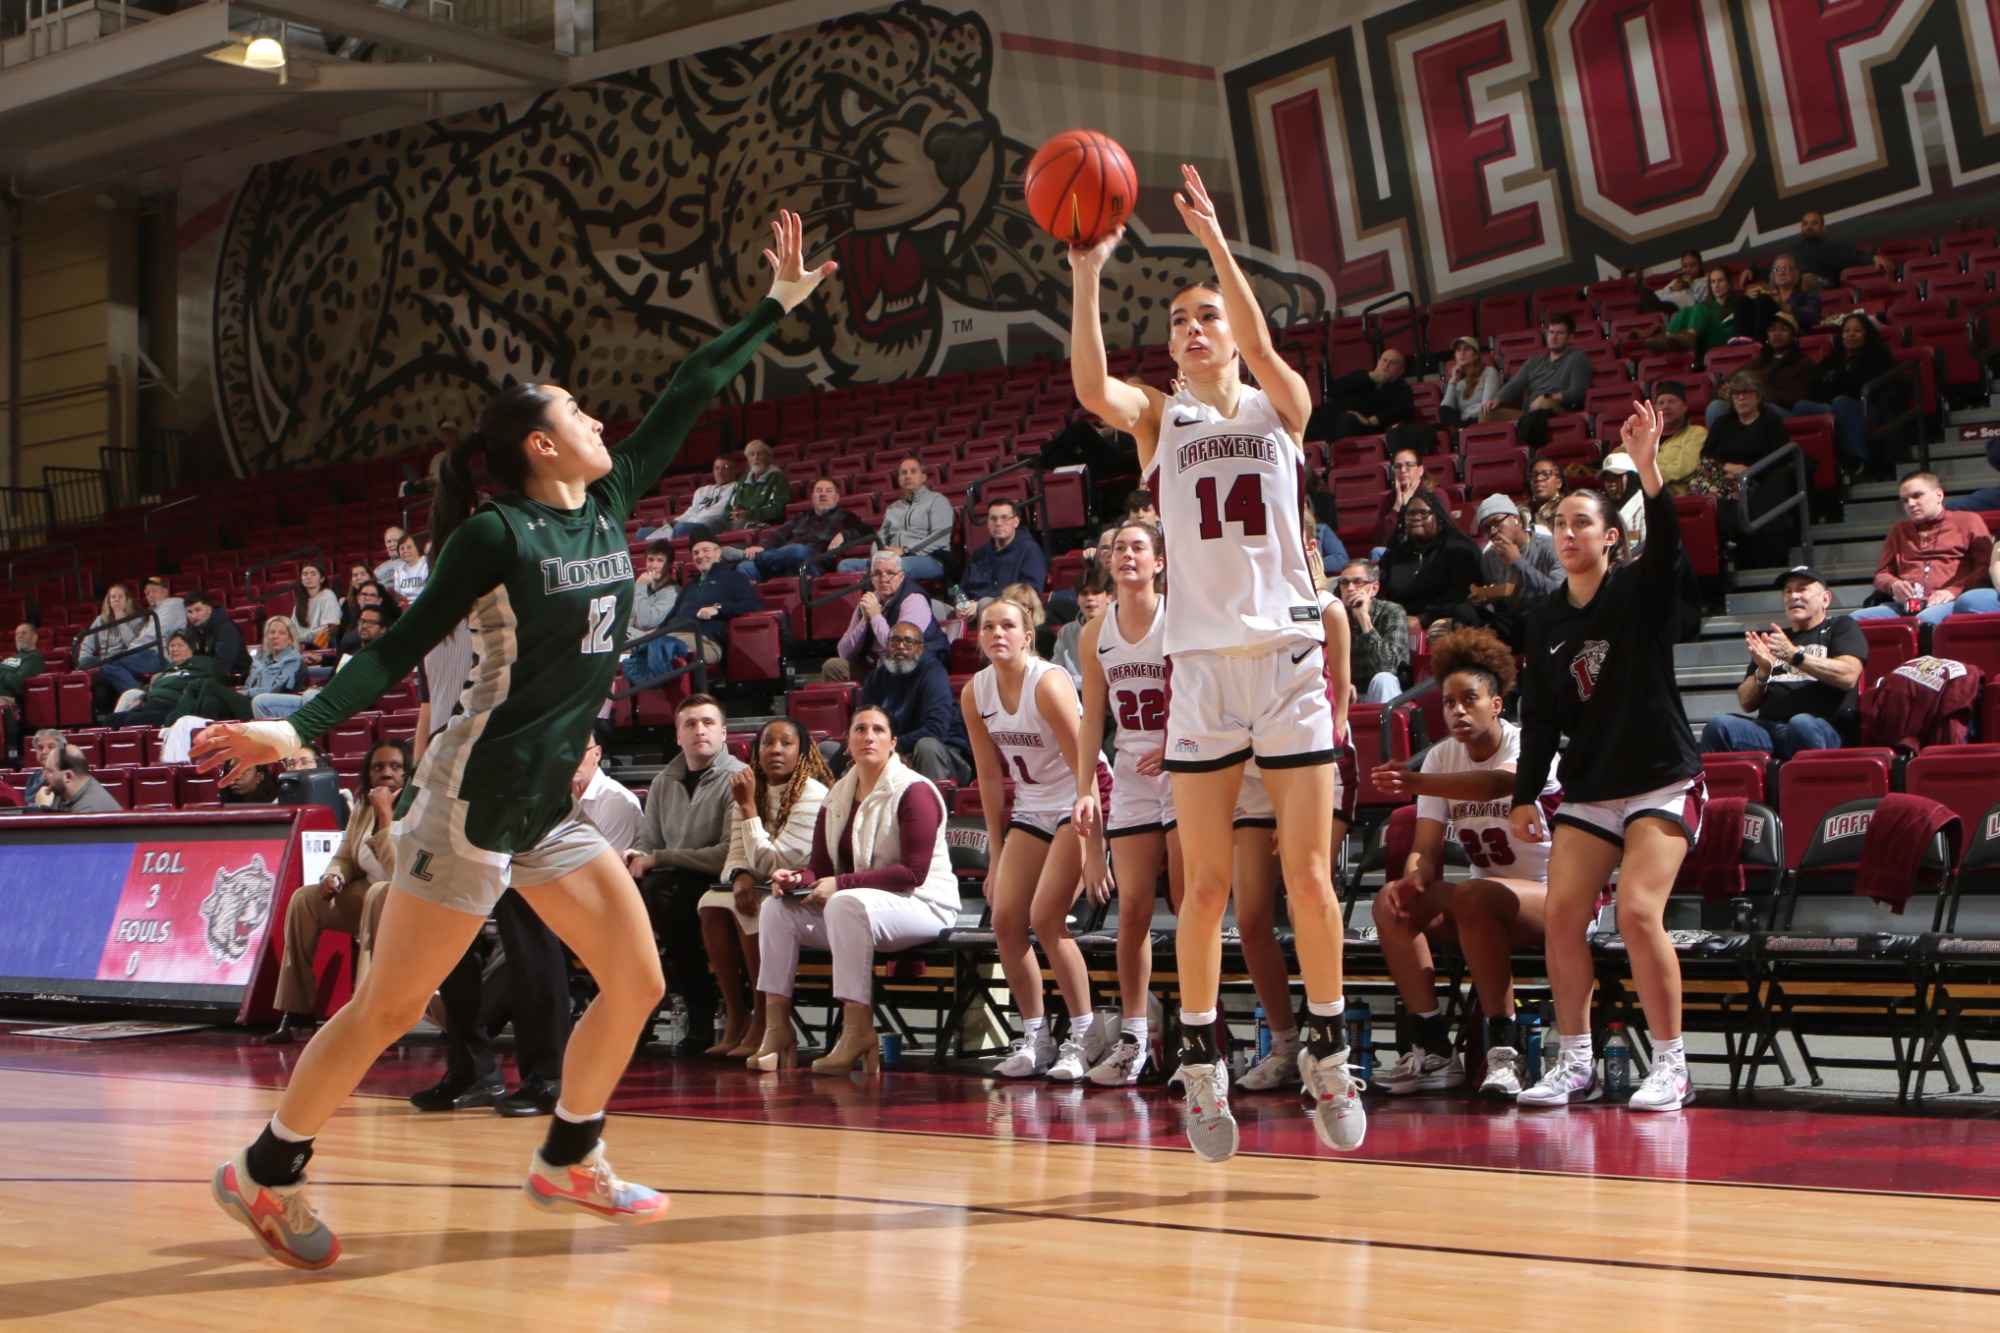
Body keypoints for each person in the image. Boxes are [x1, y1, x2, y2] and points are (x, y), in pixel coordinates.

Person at [189, 209, 833, 1267]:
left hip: (543, 802)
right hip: (472, 800)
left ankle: (569, 1154)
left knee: (634, 981)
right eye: (576, 411)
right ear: (539, 443)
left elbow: (687, 392)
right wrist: (295, 727)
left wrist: (774, 306)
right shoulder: (495, 532)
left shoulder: (609, 500)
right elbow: (395, 648)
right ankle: (265, 1171)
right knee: (387, 1010)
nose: (596, 419)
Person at [1069, 162, 1364, 1161]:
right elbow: (1084, 385)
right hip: (1199, 670)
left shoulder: (1278, 403)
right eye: (1179, 323)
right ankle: (1198, 1060)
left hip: (1283, 660)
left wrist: (1215, 245)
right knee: (1201, 889)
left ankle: (1325, 1044)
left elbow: (1264, 337)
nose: (1193, 329)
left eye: (1207, 316)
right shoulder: (1163, 419)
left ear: (1233, 329)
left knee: (1307, 876)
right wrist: (1085, 274)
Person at [1512, 402, 1703, 1113]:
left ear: (1612, 538)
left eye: (1582, 522)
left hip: (1661, 777)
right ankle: (1574, 1060)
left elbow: (1671, 556)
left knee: (1636, 912)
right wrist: (1525, 792)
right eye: (1558, 523)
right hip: (1590, 785)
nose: (1566, 533)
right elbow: (1536, 716)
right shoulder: (1544, 619)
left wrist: (1650, 467)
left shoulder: (1638, 592)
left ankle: (1671, 1063)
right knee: (1563, 914)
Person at [1369, 629, 1563, 1099]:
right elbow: (1426, 846)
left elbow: (1497, 786)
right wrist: (1415, 875)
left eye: (1469, 699)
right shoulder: (1440, 757)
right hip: (1484, 909)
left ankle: (1504, 1054)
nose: (1457, 710)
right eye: (1449, 702)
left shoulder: (1529, 746)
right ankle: (1434, 1049)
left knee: (1474, 893)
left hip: (1557, 900)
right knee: (1390, 902)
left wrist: (1416, 781)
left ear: (1496, 703)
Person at [750, 705, 959, 1073]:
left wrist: (840, 884)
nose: (868, 736)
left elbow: (913, 873)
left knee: (843, 902)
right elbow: (822, 867)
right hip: (858, 907)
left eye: (878, 730)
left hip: (924, 904)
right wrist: (797, 879)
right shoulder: (837, 796)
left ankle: (857, 1031)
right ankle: (776, 1029)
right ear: (847, 742)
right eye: (859, 729)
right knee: (775, 908)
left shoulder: (914, 791)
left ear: (893, 743)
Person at [958, 594, 1102, 1080]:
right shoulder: (974, 692)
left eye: (1008, 626)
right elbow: (989, 776)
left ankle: (1083, 1035)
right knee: (1005, 919)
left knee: (1046, 917)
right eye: (988, 627)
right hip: (1033, 807)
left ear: (1027, 634)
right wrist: (997, 857)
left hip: (1082, 798)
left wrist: (1097, 848)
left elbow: (1087, 765)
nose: (997, 634)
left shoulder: (1050, 683)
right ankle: (1036, 1036)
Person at [1071, 521, 1181, 1084]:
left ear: (1160, 562)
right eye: (1120, 548)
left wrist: (1176, 743)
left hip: (1186, 765)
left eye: (1140, 548)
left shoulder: (1179, 614)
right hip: (1134, 773)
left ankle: (1199, 1033)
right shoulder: (1096, 632)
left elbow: (1203, 692)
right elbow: (1093, 716)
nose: (1128, 555)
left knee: (1190, 902)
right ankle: (1136, 1037)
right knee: (1133, 909)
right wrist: (1086, 783)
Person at [264, 740, 411, 1045]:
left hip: (408, 903)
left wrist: (385, 818)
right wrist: (334, 875)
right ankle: (298, 1010)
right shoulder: (362, 807)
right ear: (367, 774)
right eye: (378, 767)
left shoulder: (416, 809)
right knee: (304, 900)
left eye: (395, 767)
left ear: (408, 773)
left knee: (378, 892)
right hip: (369, 895)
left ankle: (368, 1014)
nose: (386, 774)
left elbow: (402, 875)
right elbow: (345, 856)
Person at [626, 693, 750, 1055]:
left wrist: (659, 857)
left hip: (721, 882)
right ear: (677, 734)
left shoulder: (738, 778)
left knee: (659, 891)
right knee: (635, 891)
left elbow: (729, 853)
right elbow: (648, 840)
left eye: (708, 723)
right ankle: (641, 1007)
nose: (700, 730)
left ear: (724, 732)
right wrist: (638, 854)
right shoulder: (665, 780)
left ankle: (696, 1006)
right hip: (671, 882)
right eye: (690, 724)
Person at [708, 718, 833, 1061]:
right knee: (711, 903)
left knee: (753, 907)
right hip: (763, 885)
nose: (775, 749)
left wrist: (748, 808)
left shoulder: (814, 794)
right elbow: (736, 852)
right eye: (767, 743)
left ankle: (765, 1017)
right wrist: (738, 876)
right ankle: (738, 1015)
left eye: (786, 743)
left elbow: (776, 860)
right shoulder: (751, 790)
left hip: (799, 893)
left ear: (802, 751)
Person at [1702, 566, 1865, 757]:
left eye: (1802, 589)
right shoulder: (1776, 639)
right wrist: (1762, 673)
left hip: (1824, 727)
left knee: (1801, 723)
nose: (1794, 596)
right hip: (1770, 730)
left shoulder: (1840, 627)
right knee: (1718, 726)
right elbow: (1746, 702)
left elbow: (1849, 675)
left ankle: (1816, 784)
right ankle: (1708, 787)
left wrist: (1796, 657)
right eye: (1788, 591)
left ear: (1825, 599)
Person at [1850, 472, 1999, 625]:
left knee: (1923, 620)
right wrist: (1894, 585)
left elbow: (1985, 567)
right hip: (1906, 604)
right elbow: (1881, 574)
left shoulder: (1967, 521)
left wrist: (1953, 591)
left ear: (1939, 495)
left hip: (1949, 600)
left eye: (1917, 496)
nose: (1911, 504)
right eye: (1905, 500)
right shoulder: (1899, 530)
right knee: (1852, 621)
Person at [859, 620, 973, 785]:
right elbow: (863, 721)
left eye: (909, 642)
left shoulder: (933, 673)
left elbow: (936, 730)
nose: (901, 646)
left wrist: (889, 746)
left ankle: (935, 809)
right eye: (895, 641)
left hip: (945, 755)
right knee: (832, 749)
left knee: (926, 746)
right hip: (894, 753)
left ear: (921, 649)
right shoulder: (875, 679)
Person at [1703, 373, 1799, 567]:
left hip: (1758, 481)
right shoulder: (1723, 424)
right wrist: (1727, 467)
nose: (1740, 398)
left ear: (1759, 396)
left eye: (1746, 393)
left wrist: (1747, 471)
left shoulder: (1771, 422)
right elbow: (1706, 455)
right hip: (1721, 480)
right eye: (1736, 394)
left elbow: (1781, 458)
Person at [822, 550, 946, 682]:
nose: (883, 578)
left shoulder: (914, 600)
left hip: (911, 668)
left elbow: (900, 648)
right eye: (877, 573)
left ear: (901, 576)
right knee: (832, 667)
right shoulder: (870, 601)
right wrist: (864, 621)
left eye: (890, 573)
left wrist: (876, 616)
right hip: (876, 667)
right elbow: (844, 653)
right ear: (871, 577)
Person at [254, 606, 388, 720]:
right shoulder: (350, 650)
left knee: (310, 696)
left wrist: (327, 690)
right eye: (362, 621)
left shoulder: (382, 655)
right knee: (260, 702)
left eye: (371, 622)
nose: (364, 626)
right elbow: (332, 678)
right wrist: (318, 685)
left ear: (383, 628)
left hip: (348, 705)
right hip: (324, 701)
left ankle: (312, 743)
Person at [650, 529, 759, 669]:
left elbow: (753, 605)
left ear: (718, 552)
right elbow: (669, 620)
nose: (700, 556)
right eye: (696, 553)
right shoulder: (689, 587)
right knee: (628, 651)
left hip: (705, 641)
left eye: (705, 550)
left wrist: (718, 608)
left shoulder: (734, 579)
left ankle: (657, 689)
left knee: (658, 647)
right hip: (672, 637)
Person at [1810, 313, 1901, 479]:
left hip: (1869, 408)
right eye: (1846, 331)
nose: (1850, 334)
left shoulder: (1877, 358)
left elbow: (1863, 386)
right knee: (1803, 407)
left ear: (1866, 334)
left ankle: (1860, 461)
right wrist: (1839, 379)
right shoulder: (1832, 359)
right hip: (1832, 406)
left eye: (1857, 330)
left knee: (1842, 402)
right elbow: (1815, 386)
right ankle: (1816, 469)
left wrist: (1834, 379)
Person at [1379, 490, 1484, 629]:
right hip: (1397, 623)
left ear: (1439, 519)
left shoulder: (1458, 550)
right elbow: (1379, 593)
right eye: (1410, 514)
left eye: (1424, 513)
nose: (1416, 517)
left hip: (1441, 621)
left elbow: (1460, 597)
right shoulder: (1394, 555)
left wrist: (1422, 620)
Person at [1702, 312, 1827, 427]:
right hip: (1750, 405)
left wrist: (1758, 394)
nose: (1777, 333)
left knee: (1760, 408)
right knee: (1716, 407)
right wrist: (1722, 392)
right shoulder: (1758, 362)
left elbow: (1798, 398)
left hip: (1780, 413)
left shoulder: (1804, 364)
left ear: (1794, 334)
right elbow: (1723, 384)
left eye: (1783, 328)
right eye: (1772, 329)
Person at [1468, 493, 1562, 647]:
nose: (1492, 531)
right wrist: (1488, 598)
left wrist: (1517, 562)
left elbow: (1558, 595)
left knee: (1539, 615)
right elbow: (1499, 605)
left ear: (1516, 519)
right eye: (1486, 528)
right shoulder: (1489, 557)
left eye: (1497, 522)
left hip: (1543, 622)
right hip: (1511, 623)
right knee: (1465, 611)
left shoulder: (1549, 547)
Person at [837, 457, 952, 580]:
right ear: (899, 480)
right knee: (845, 565)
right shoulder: (893, 508)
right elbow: (880, 538)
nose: (908, 476)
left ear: (923, 477)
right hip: (891, 560)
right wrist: (878, 556)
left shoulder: (937, 500)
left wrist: (905, 551)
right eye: (903, 473)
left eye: (913, 471)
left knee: (898, 566)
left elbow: (941, 535)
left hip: (929, 558)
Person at [739, 477, 874, 581]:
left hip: (812, 567)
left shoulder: (845, 517)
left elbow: (868, 532)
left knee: (798, 550)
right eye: (818, 491)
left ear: (837, 497)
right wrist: (762, 546)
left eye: (828, 491)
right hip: (783, 565)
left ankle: (753, 557)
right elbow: (779, 534)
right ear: (813, 497)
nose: (823, 494)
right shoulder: (801, 517)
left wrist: (844, 535)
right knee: (744, 568)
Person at [105, 632, 236, 728]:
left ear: (191, 648)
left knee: (134, 721)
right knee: (110, 721)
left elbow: (219, 678)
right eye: (172, 646)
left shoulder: (203, 664)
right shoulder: (167, 671)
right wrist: (144, 698)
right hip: (149, 707)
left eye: (180, 645)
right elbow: (156, 689)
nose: (175, 649)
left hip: (173, 710)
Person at [1480, 314, 1591, 421]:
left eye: (1560, 333)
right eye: (1551, 332)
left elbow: (1577, 392)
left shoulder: (1578, 358)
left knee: (1545, 404)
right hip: (1528, 414)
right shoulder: (1534, 362)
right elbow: (1515, 384)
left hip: (1557, 413)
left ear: (1570, 338)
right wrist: (1497, 399)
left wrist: (1547, 397)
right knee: (1486, 413)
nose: (1554, 337)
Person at [955, 499, 1048, 615]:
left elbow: (1030, 592)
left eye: (1004, 518)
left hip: (1012, 612)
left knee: (984, 603)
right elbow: (963, 590)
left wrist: (984, 605)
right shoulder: (978, 555)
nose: (998, 523)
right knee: (940, 609)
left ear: (1016, 522)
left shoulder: (1030, 550)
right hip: (973, 611)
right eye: (993, 519)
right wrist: (960, 605)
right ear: (988, 524)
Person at [1337, 559, 1409, 704]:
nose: (1350, 588)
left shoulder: (1392, 612)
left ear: (1374, 588)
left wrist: (1365, 620)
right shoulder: (1335, 615)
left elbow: (1388, 667)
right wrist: (1341, 683)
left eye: (1358, 582)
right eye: (1344, 583)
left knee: (1383, 679)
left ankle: (1388, 727)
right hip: (1349, 694)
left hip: (1385, 692)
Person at [1314, 348, 1414, 441]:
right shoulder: (1362, 377)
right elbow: (1333, 390)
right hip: (1329, 423)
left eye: (1393, 363)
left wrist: (1369, 420)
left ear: (1401, 371)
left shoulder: (1402, 389)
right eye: (1384, 360)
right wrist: (1369, 376)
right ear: (1378, 362)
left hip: (1364, 428)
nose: (1386, 365)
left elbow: (1399, 411)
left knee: (1348, 420)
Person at [1050, 564, 1114, 688]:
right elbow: (1057, 674)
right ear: (1078, 600)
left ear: (1109, 597)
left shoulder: (1120, 629)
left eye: (1096, 592)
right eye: (1084, 593)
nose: (1090, 598)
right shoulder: (1066, 632)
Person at [1648, 267, 1736, 357]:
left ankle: (1690, 336)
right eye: (1713, 282)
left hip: (1725, 340)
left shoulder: (1738, 304)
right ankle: (1665, 340)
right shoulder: (1708, 306)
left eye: (1720, 281)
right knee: (1686, 310)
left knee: (1700, 308)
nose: (1716, 285)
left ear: (1729, 283)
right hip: (1705, 342)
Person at [1794, 209, 1895, 287]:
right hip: (1794, 283)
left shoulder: (1833, 247)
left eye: (1814, 223)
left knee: (1805, 279)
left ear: (1823, 228)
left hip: (1823, 283)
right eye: (1805, 224)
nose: (1809, 227)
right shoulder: (1793, 250)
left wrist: (1874, 258)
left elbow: (1857, 256)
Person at [653, 455, 738, 539]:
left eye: (725, 467)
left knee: (681, 528)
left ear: (733, 470)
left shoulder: (736, 487)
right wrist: (676, 521)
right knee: (642, 532)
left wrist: (687, 522)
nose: (720, 471)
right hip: (690, 524)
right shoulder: (702, 490)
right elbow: (693, 510)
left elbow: (720, 511)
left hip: (710, 526)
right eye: (717, 468)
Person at [1653, 382, 1709, 495]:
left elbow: (1685, 468)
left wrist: (1647, 477)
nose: (1665, 406)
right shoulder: (1645, 435)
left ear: (1685, 406)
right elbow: (1619, 455)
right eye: (1661, 403)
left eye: (1672, 401)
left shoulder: (1696, 433)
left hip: (1675, 494)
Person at [77, 584, 143, 674]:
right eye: (113, 597)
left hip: (124, 658)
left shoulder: (136, 619)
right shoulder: (101, 620)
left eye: (120, 597)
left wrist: (121, 621)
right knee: (83, 662)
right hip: (105, 659)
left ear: (127, 600)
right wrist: (82, 662)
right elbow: (87, 644)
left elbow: (135, 645)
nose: (116, 600)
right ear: (109, 601)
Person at [1435, 337, 1502, 427]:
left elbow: (1486, 406)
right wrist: (1453, 381)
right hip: (1464, 421)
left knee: (1483, 414)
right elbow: (1445, 409)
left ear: (1475, 355)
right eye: (1458, 350)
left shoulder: (1489, 372)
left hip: (1482, 418)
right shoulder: (1458, 380)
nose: (1462, 353)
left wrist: (1466, 416)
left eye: (1467, 349)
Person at [728, 439, 792, 529]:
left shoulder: (777, 478)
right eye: (752, 454)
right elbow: (730, 506)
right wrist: (733, 514)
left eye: (760, 453)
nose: (756, 457)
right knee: (712, 524)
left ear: (769, 458)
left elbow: (778, 509)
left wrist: (747, 514)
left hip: (765, 523)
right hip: (738, 520)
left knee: (739, 523)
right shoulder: (743, 480)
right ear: (748, 459)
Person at [182, 591, 248, 679]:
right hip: (207, 676)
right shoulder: (191, 630)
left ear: (209, 609)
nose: (193, 616)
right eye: (189, 612)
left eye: (198, 610)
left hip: (236, 677)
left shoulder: (226, 628)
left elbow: (223, 666)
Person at [1595, 453, 1650, 556]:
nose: (1611, 484)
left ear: (1631, 477)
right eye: (1607, 479)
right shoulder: (1600, 505)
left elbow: (1648, 544)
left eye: (1616, 477)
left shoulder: (1644, 503)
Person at [1, 623, 44, 747]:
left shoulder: (34, 658)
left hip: (8, 700)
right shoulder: (10, 658)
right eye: (17, 634)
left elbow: (18, 682)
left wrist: (1, 673)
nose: (19, 636)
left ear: (34, 637)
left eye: (24, 633)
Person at [628, 541, 679, 643]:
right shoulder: (642, 588)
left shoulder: (674, 592)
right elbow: (624, 619)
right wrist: (635, 622)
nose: (654, 565)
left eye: (660, 560)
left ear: (670, 564)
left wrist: (640, 586)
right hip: (631, 639)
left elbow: (646, 622)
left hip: (650, 644)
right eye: (650, 560)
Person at [45, 747, 123, 813]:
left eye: (49, 771)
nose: (44, 777)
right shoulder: (63, 795)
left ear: (68, 776)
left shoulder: (88, 809)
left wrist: (43, 808)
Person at [292, 561, 342, 650]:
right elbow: (292, 628)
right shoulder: (300, 602)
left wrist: (301, 637)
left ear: (322, 578)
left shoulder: (328, 595)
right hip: (302, 645)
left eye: (313, 574)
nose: (308, 577)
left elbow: (327, 629)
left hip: (323, 645)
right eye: (305, 574)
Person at [1521, 454, 1569, 537]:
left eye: (1546, 474)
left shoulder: (1566, 509)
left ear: (1559, 483)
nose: (1539, 478)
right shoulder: (1519, 510)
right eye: (1534, 475)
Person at [388, 532, 430, 605]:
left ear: (418, 547)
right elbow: (399, 596)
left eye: (409, 547)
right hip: (406, 608)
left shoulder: (427, 564)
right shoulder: (399, 570)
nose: (405, 551)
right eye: (402, 548)